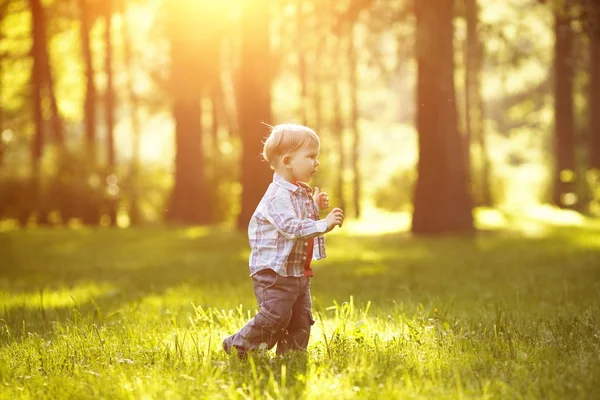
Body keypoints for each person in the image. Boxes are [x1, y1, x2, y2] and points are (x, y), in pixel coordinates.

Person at [223, 123, 344, 358]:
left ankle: (291, 357)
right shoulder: (277, 196)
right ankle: (239, 345)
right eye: (310, 156)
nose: (316, 162)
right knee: (275, 315)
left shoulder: (300, 192)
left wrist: (315, 206)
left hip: (297, 270)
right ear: (287, 161)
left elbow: (301, 219)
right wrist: (324, 224)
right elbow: (291, 227)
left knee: (301, 318)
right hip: (273, 271)